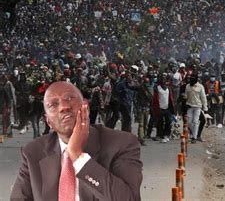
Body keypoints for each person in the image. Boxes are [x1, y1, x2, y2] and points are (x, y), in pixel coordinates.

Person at [11, 81, 142, 200]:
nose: (63, 107)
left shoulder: (122, 143)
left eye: (69, 98)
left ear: (86, 107)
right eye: (53, 104)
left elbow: (129, 198)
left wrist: (78, 156)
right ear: (48, 122)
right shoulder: (33, 152)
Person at [184, 74, 208, 143]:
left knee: (195, 122)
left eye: (192, 79)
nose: (191, 81)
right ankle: (195, 134)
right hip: (189, 106)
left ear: (196, 80)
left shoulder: (200, 87)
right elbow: (186, 96)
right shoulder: (187, 86)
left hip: (197, 107)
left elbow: (203, 98)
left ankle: (194, 137)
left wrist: (205, 108)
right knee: (189, 122)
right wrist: (184, 97)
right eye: (190, 79)